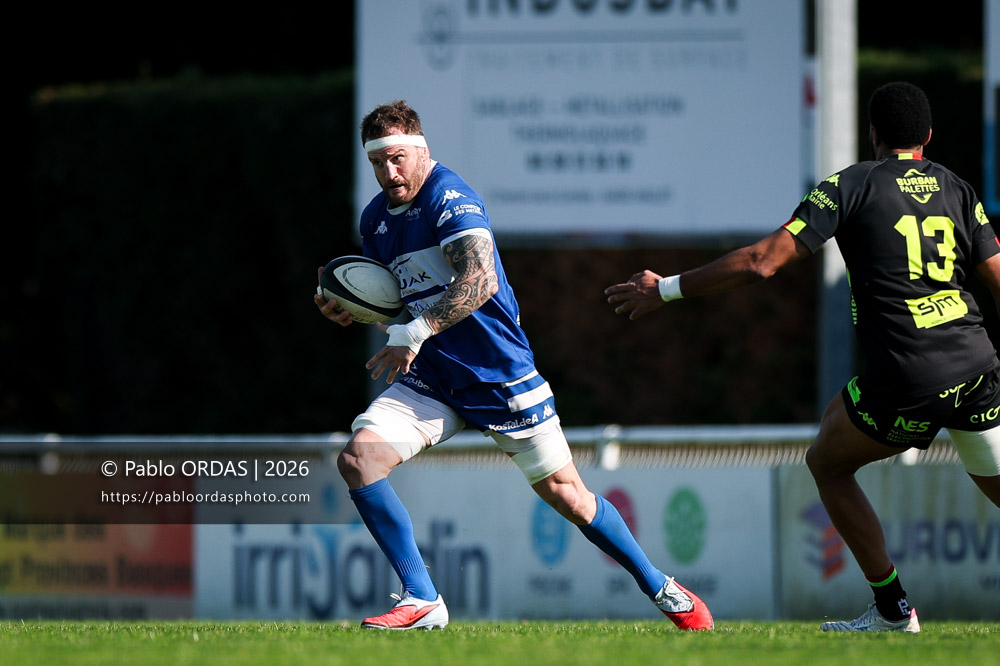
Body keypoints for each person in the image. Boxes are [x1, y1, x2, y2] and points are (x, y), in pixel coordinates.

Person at [606, 81, 1000, 633]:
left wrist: (665, 288)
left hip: (909, 374)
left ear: (873, 134)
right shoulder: (957, 188)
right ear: (928, 137)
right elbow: (996, 278)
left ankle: (893, 610)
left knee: (828, 462)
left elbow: (764, 261)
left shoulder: (849, 186)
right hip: (978, 365)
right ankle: (891, 610)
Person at [314, 99, 714, 631]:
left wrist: (416, 329)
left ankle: (660, 587)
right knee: (358, 460)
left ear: (421, 149)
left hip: (500, 376)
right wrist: (351, 309)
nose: (390, 172)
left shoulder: (449, 196)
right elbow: (398, 301)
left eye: (398, 157)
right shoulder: (376, 220)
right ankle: (423, 597)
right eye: (378, 162)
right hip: (434, 378)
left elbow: (479, 282)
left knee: (567, 495)